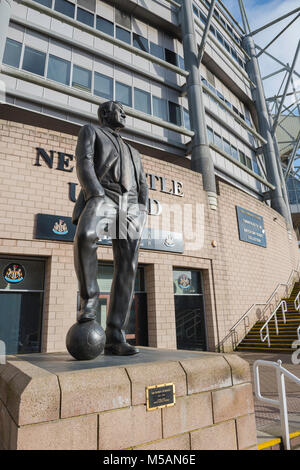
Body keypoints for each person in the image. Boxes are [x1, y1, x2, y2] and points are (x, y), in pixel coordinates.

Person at [72, 101, 148, 355]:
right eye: (119, 109)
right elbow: (84, 162)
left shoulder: (135, 152)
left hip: (131, 206)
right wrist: (94, 194)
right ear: (105, 113)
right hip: (104, 195)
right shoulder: (91, 131)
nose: (125, 112)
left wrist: (142, 210)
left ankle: (116, 335)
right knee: (85, 235)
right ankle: (90, 301)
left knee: (128, 265)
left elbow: (143, 184)